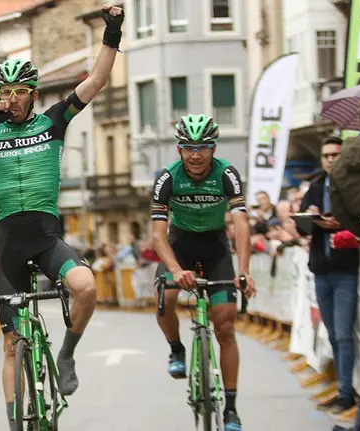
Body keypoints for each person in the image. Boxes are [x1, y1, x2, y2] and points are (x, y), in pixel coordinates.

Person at [0, 5, 123, 426]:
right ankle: (14, 421)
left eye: (19, 91)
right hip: (10, 247)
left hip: (45, 236)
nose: (11, 99)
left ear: (33, 94)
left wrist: (112, 29)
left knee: (86, 288)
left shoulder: (54, 121)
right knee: (9, 344)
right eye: (4, 92)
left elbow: (96, 80)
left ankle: (67, 353)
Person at [151, 114, 257, 431]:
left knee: (225, 327)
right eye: (188, 147)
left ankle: (232, 409)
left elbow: (241, 226)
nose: (195, 155)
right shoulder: (167, 178)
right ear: (179, 149)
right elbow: (157, 234)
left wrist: (245, 271)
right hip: (180, 244)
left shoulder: (227, 174)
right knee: (165, 297)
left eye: (203, 147)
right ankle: (176, 348)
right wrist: (175, 269)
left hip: (215, 247)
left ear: (213, 148)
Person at [299, 136, 360, 415]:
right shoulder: (314, 186)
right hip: (321, 268)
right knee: (333, 334)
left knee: (345, 333)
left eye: (335, 154)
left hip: (346, 267)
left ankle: (347, 392)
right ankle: (342, 388)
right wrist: (308, 220)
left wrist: (338, 223)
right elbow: (302, 228)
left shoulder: (351, 185)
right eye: (326, 155)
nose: (330, 159)